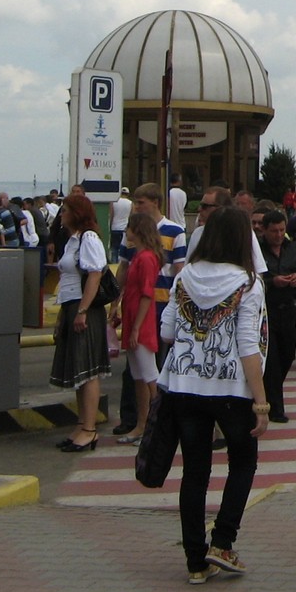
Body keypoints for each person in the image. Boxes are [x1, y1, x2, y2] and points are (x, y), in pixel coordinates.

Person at [160, 206, 268, 584]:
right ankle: (222, 542)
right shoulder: (248, 283)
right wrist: (261, 403)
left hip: (184, 387)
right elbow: (248, 345)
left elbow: (167, 332)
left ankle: (195, 562)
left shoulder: (184, 277)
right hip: (232, 390)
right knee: (243, 462)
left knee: (194, 471)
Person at [112, 182, 189, 437]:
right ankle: (138, 421)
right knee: (136, 370)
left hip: (160, 305)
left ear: (155, 202)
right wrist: (115, 301)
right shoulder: (135, 247)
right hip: (138, 310)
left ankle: (155, 422)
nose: (136, 207)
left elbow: (178, 272)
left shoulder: (173, 233)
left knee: (152, 368)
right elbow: (123, 269)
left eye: (140, 202)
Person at [51, 191, 111, 451]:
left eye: (65, 210)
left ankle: (89, 428)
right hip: (71, 305)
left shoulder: (89, 239)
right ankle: (82, 424)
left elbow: (95, 275)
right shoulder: (72, 240)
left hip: (83, 306)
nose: (61, 215)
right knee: (79, 371)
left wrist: (83, 310)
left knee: (89, 371)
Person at [115, 210, 163, 445]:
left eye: (129, 227)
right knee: (138, 375)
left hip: (140, 323)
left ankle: (156, 425)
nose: (126, 231)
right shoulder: (139, 256)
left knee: (149, 374)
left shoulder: (146, 258)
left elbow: (146, 294)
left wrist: (135, 328)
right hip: (133, 319)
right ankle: (142, 424)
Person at [259, 209, 296, 422]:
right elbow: (251, 277)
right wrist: (272, 282)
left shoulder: (293, 249)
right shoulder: (257, 250)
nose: (278, 235)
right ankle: (275, 408)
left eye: (281, 230)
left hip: (288, 309)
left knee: (287, 355)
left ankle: (270, 392)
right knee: (272, 362)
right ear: (265, 230)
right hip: (266, 311)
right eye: (274, 231)